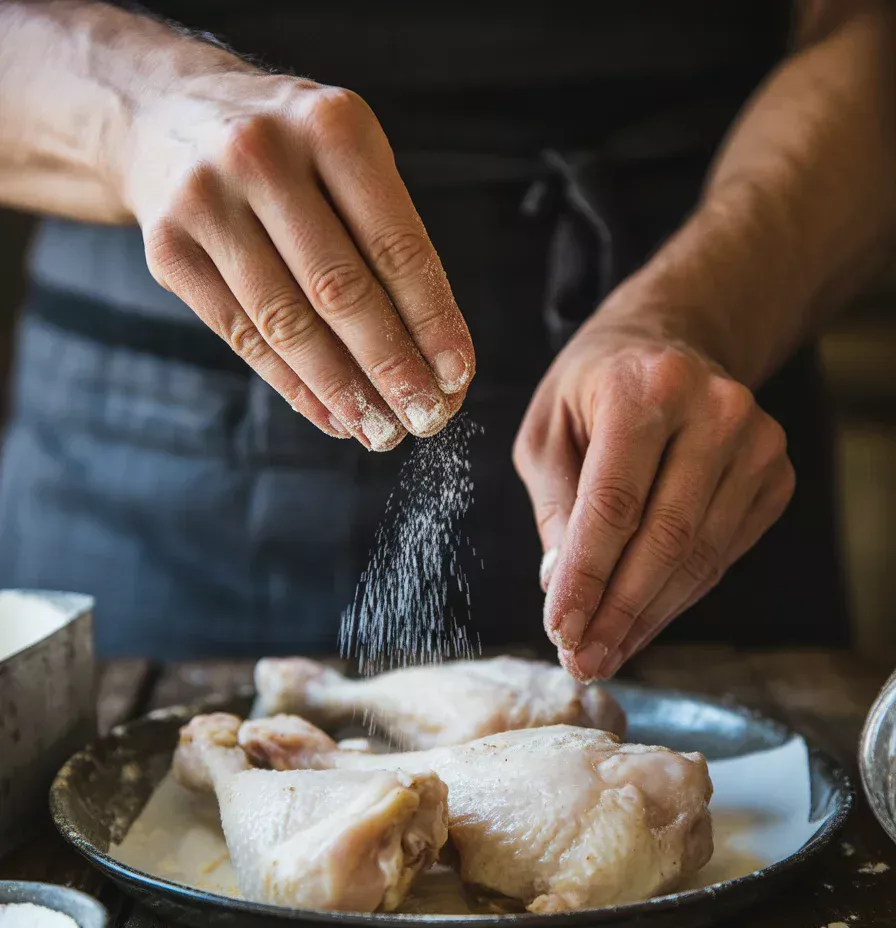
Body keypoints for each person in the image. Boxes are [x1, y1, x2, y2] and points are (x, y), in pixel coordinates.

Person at [0, 1, 892, 672]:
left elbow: (867, 30)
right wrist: (132, 109)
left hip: (701, 369)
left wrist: (699, 316)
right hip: (148, 441)